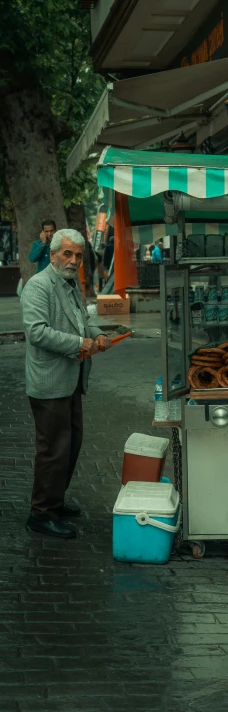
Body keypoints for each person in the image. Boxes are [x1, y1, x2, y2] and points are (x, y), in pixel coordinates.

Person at [21, 229, 112, 539]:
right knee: (53, 450)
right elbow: (37, 332)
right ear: (53, 255)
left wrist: (97, 334)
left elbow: (84, 320)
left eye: (78, 255)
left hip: (71, 380)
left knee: (71, 444)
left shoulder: (71, 284)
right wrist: (80, 343)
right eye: (67, 254)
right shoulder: (38, 286)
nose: (74, 260)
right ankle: (42, 513)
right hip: (49, 382)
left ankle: (55, 501)